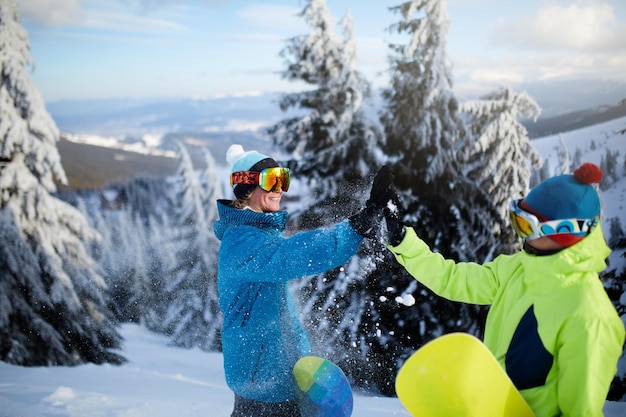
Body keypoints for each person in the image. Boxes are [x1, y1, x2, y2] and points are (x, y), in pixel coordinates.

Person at [380, 162, 625, 417]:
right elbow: (452, 279)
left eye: (527, 225)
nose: (522, 235)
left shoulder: (589, 316)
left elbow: (581, 412)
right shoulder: (520, 269)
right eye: (517, 221)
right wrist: (402, 240)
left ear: (564, 232)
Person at [213, 145, 396, 417]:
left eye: (282, 179)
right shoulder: (243, 243)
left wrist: (303, 361)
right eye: (271, 180)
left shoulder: (257, 237)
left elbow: (281, 313)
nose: (280, 189)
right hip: (263, 384)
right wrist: (356, 226)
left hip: (276, 376)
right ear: (247, 188)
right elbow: (296, 254)